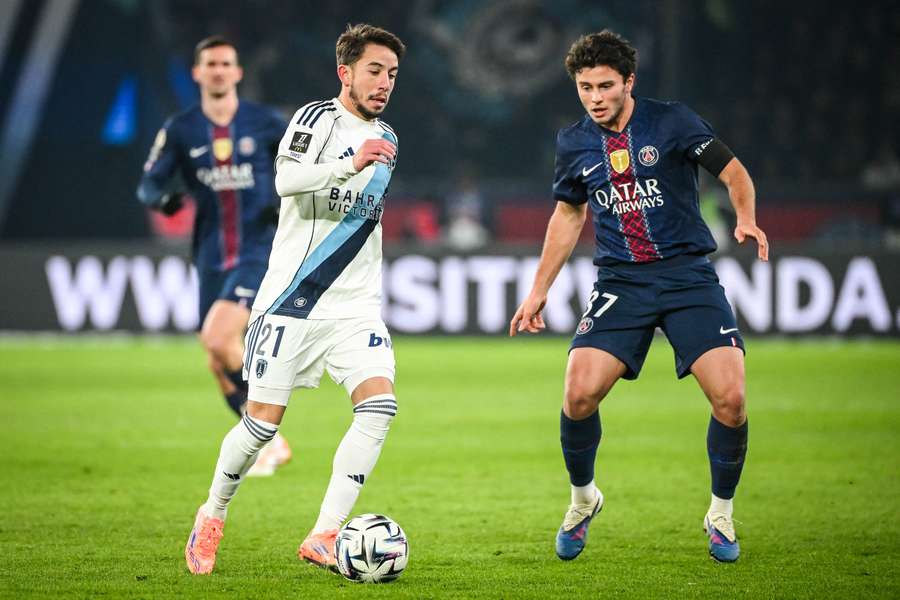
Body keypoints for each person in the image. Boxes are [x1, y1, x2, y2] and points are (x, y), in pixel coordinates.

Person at [509, 30, 768, 563]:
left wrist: (745, 217)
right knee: (578, 394)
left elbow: (733, 170)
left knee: (732, 400)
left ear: (629, 81)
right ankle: (584, 500)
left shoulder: (672, 120)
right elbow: (568, 213)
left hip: (687, 278)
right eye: (584, 88)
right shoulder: (573, 142)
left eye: (605, 85)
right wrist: (539, 290)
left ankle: (720, 513)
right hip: (621, 283)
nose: (595, 97)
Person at [183, 23, 406, 575]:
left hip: (354, 307)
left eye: (393, 75)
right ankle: (212, 514)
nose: (383, 83)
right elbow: (286, 180)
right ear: (345, 72)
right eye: (374, 71)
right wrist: (349, 163)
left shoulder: (390, 139)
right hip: (292, 300)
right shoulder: (316, 120)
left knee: (379, 406)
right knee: (261, 425)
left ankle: (325, 534)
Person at [137, 36, 292, 476]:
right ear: (198, 73)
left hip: (258, 249)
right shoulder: (182, 128)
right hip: (209, 255)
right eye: (211, 64)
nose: (220, 70)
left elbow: (300, 168)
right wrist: (162, 199)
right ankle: (271, 441)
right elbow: (149, 182)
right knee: (216, 358)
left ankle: (270, 413)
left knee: (220, 339)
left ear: (238, 72)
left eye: (227, 63)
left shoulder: (266, 123)